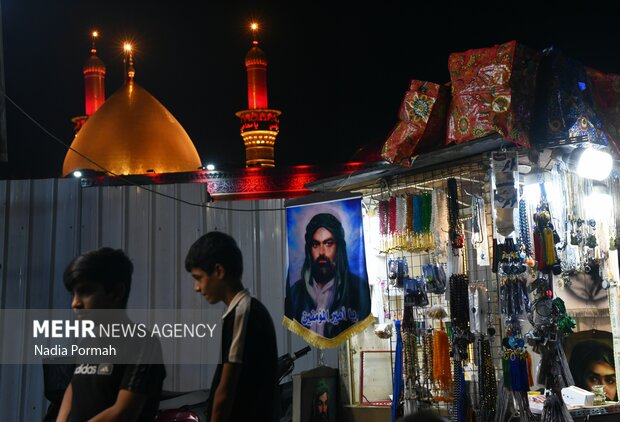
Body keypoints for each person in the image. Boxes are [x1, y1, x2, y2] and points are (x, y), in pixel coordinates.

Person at [56, 247, 166, 421]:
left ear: (116, 293)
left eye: (85, 291)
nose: (75, 303)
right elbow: (72, 390)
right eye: (73, 294)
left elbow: (124, 412)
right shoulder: (84, 344)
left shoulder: (143, 344)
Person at [185, 231, 278, 422]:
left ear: (219, 271)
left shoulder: (242, 312)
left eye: (199, 277)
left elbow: (225, 391)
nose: (197, 287)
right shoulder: (245, 310)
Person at [285, 213, 371, 338]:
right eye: (316, 245)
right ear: (309, 249)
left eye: (328, 244)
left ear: (339, 248)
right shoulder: (295, 294)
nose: (322, 252)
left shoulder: (357, 289)